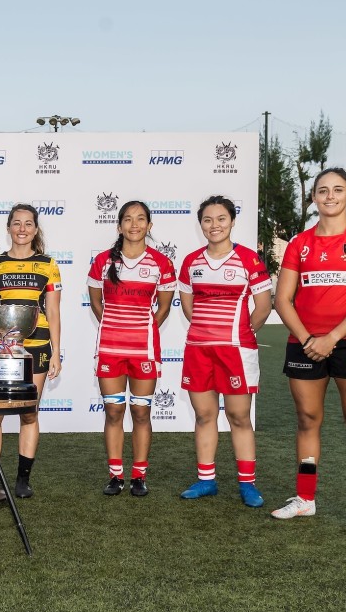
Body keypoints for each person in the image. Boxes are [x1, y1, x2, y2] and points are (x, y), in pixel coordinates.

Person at [271, 167, 346, 533]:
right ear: (314, 197)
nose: (330, 196)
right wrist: (309, 339)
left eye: (337, 190)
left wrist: (331, 337)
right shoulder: (299, 243)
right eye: (323, 190)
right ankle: (305, 498)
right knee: (307, 419)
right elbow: (282, 299)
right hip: (304, 343)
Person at [177, 196, 272, 507]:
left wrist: (242, 333)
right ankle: (206, 480)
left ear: (232, 221)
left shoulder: (248, 259)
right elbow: (188, 307)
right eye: (207, 220)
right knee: (204, 415)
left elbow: (263, 306)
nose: (214, 225)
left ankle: (247, 484)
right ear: (200, 225)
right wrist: (207, 333)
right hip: (199, 350)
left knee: (239, 416)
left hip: (236, 352)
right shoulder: (191, 262)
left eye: (221, 219)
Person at [87, 200, 176, 497]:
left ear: (149, 225)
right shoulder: (102, 261)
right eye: (128, 219)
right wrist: (115, 327)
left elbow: (163, 308)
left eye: (140, 219)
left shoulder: (162, 263)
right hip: (110, 348)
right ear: (119, 225)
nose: (134, 224)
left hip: (144, 350)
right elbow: (96, 302)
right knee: (113, 411)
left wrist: (142, 329)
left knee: (140, 412)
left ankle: (139, 475)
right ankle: (116, 475)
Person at [0, 204, 63, 498]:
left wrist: (56, 352)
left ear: (35, 229)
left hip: (37, 346)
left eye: (28, 224)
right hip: (2, 348)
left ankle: (22, 480)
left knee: (29, 413)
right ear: (9, 228)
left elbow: (54, 312)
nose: (22, 229)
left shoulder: (48, 265)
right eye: (17, 223)